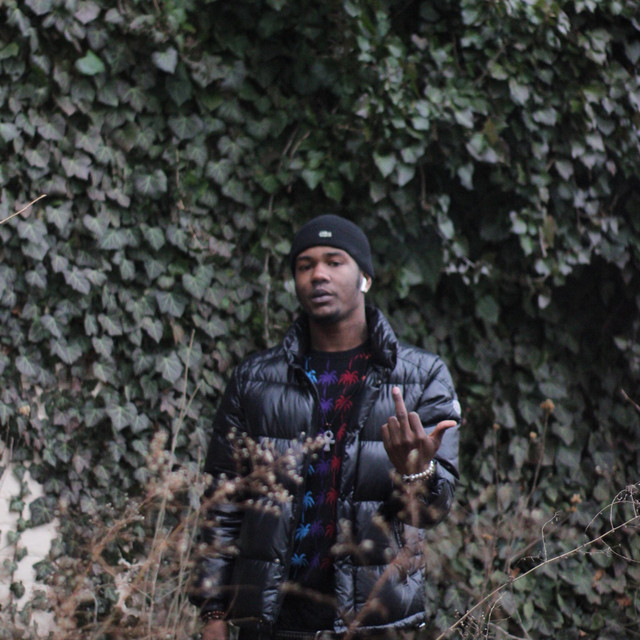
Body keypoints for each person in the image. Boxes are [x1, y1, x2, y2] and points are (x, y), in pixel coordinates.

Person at [191, 215, 461, 640]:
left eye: (334, 262)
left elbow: (432, 511)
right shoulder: (254, 380)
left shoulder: (421, 377)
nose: (318, 274)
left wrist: (416, 472)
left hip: (372, 623)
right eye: (305, 265)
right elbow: (222, 503)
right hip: (271, 624)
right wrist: (213, 612)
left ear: (365, 277)